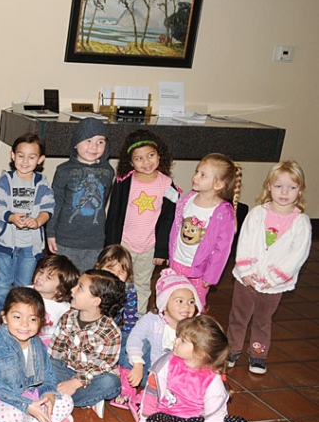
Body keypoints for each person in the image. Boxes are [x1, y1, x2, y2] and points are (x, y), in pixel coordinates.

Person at [227, 161, 311, 375]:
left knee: (263, 321)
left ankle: (257, 355)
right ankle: (232, 349)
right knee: (239, 315)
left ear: (299, 190)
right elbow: (244, 241)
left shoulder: (300, 222)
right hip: (247, 278)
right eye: (279, 186)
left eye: (292, 187)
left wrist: (274, 278)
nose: (285, 192)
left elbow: (297, 255)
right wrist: (246, 271)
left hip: (274, 284)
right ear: (268, 186)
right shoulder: (257, 214)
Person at [139, 316, 249, 422]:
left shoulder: (213, 381)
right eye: (178, 337)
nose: (175, 341)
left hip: (200, 420)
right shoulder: (167, 361)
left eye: (183, 341)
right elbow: (152, 389)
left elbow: (214, 418)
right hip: (170, 417)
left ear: (199, 353)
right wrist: (145, 416)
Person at [0, 287, 75, 422]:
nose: (24, 324)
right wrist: (26, 405)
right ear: (5, 317)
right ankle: (45, 420)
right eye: (17, 317)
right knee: (14, 417)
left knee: (67, 402)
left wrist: (49, 393)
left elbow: (47, 372)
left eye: (32, 319)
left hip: (26, 391)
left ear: (41, 321)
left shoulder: (36, 343)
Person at [105, 129, 178, 314]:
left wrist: (162, 249)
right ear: (130, 162)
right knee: (117, 281)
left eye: (150, 155)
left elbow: (168, 218)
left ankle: (137, 320)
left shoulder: (166, 184)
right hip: (124, 244)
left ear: (159, 155)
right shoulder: (124, 182)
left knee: (142, 285)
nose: (146, 162)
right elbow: (114, 214)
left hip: (149, 247)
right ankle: (113, 316)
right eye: (139, 158)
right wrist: (111, 246)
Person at [116, 270, 200, 411]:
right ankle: (127, 387)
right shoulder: (152, 319)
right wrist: (137, 364)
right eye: (180, 301)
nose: (187, 306)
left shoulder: (195, 327)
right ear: (164, 304)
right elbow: (135, 338)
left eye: (191, 302)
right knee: (134, 341)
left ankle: (151, 396)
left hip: (171, 378)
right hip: (144, 371)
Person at [0, 132, 54, 313]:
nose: (25, 161)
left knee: (24, 283)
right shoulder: (4, 181)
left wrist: (38, 221)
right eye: (20, 156)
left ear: (40, 159)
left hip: (31, 245)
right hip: (6, 243)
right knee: (3, 282)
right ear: (12, 155)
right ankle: (3, 311)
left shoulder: (41, 182)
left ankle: (19, 311)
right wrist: (10, 216)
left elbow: (48, 207)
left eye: (32, 157)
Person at [168, 153, 241, 310]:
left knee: (196, 303)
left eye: (203, 175)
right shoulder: (187, 200)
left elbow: (222, 249)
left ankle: (193, 331)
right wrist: (171, 257)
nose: (195, 177)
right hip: (178, 263)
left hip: (200, 271)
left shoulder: (223, 212)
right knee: (175, 298)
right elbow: (175, 230)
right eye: (196, 172)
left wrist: (211, 275)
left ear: (218, 184)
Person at [50, 270, 124, 416]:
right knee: (41, 360)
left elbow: (101, 366)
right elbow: (55, 352)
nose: (72, 290)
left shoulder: (110, 332)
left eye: (80, 288)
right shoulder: (68, 317)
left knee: (111, 383)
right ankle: (77, 398)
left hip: (92, 378)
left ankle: (60, 398)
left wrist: (76, 382)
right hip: (66, 369)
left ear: (96, 301)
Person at [45, 118, 114, 273]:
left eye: (100, 142)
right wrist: (50, 233)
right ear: (76, 143)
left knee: (87, 283)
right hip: (66, 240)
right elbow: (55, 203)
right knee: (64, 282)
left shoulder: (108, 172)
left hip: (94, 242)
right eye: (88, 140)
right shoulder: (63, 170)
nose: (94, 147)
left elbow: (104, 201)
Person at [29, 255, 79, 347]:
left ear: (59, 289)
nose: (40, 277)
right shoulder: (24, 293)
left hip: (48, 344)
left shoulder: (65, 308)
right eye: (41, 272)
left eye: (48, 278)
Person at [96, 244, 139, 344]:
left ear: (128, 275)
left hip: (112, 334)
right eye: (110, 268)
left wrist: (128, 340)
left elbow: (131, 321)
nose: (115, 275)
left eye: (121, 271)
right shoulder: (91, 285)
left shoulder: (129, 290)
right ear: (98, 267)